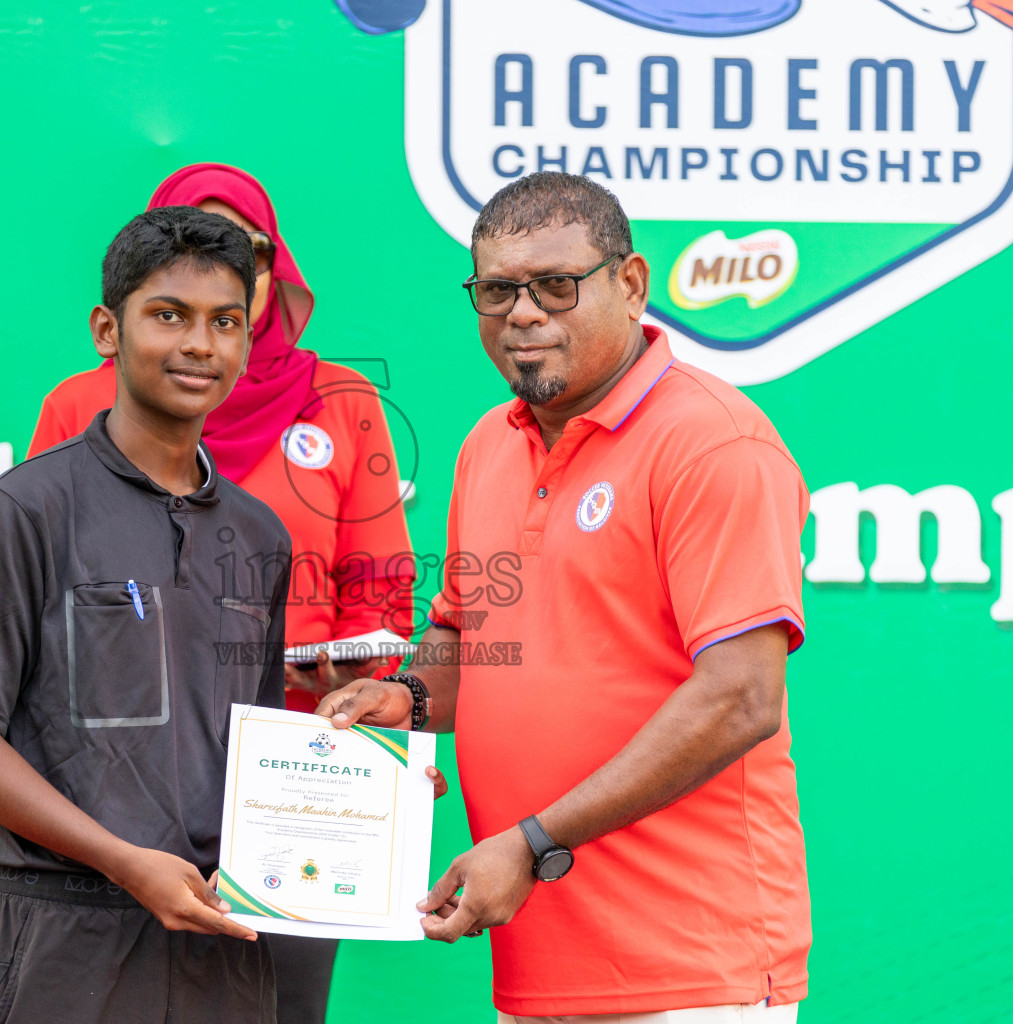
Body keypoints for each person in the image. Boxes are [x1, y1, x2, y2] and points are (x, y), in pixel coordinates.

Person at [321, 172, 812, 1022]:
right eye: (498, 290)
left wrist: (535, 841)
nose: (523, 313)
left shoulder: (712, 442)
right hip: (542, 963)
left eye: (555, 284)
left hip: (695, 968)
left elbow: (743, 697)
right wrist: (403, 697)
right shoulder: (488, 446)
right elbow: (467, 645)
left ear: (630, 284)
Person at [27, 163, 417, 1024]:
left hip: (296, 780)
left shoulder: (342, 403)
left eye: (243, 256)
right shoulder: (79, 407)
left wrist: (367, 723)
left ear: (272, 278)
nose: (201, 329)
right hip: (123, 789)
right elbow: (52, 617)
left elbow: (381, 594)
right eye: (176, 290)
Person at [0, 206, 291, 1023]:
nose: (200, 344)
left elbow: (258, 744)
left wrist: (365, 792)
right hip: (61, 928)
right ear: (106, 331)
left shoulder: (260, 538)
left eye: (225, 322)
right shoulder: (27, 509)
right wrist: (124, 862)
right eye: (169, 315)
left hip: (218, 931)